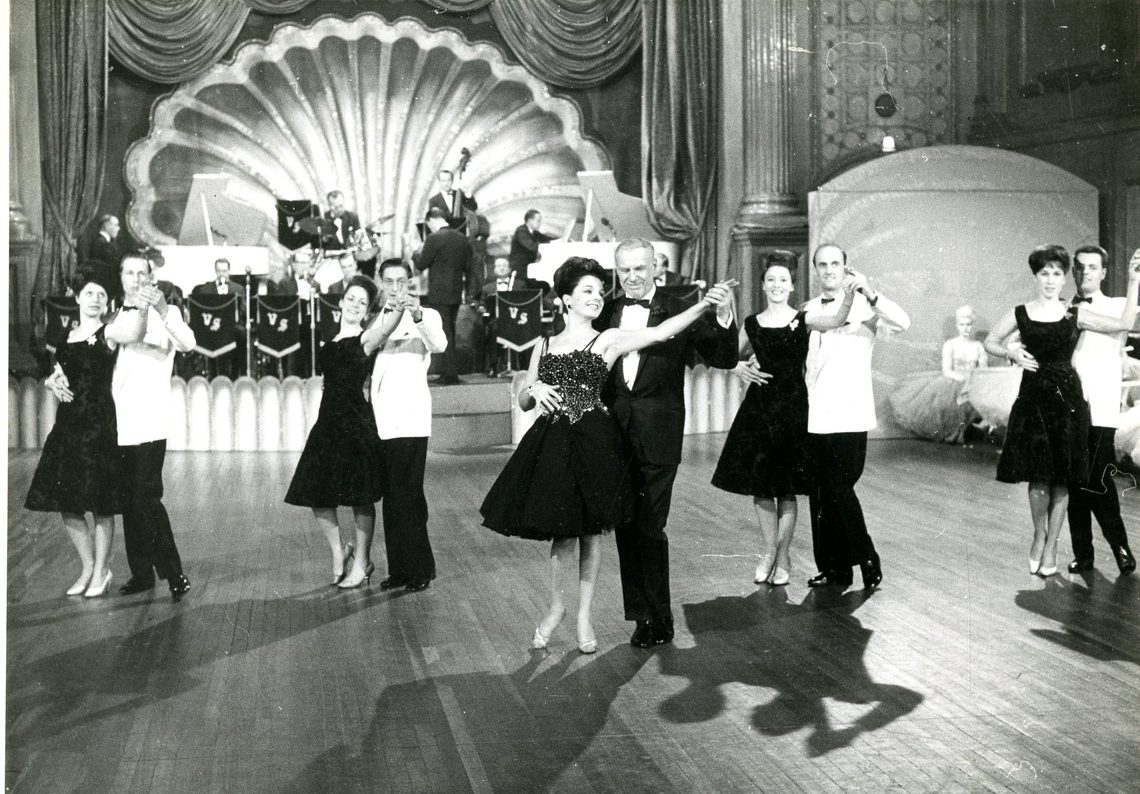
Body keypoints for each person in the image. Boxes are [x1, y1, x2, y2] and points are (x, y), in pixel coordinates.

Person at [482, 256, 736, 654]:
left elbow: (662, 332)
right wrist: (536, 392)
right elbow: (525, 397)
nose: (597, 297)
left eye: (600, 292)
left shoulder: (608, 338)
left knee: (594, 533)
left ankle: (584, 618)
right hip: (554, 445)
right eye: (587, 291)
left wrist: (704, 305)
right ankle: (557, 610)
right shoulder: (543, 345)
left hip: (596, 441)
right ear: (565, 299)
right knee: (561, 533)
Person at [596, 238, 739, 648]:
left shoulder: (679, 309)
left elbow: (724, 359)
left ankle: (660, 617)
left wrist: (725, 314)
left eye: (639, 269)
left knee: (649, 525)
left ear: (656, 267)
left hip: (659, 435)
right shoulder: (606, 312)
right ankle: (642, 617)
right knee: (626, 524)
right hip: (614, 435)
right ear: (616, 271)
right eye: (624, 270)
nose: (632, 278)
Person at [984, 244, 1139, 577]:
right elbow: (997, 340)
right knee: (1052, 477)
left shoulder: (1089, 309)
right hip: (1046, 402)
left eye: (1058, 272)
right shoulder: (1039, 311)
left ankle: (1091, 546)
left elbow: (1125, 320)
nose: (1053, 279)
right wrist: (1011, 351)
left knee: (1084, 479)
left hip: (1083, 403)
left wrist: (1133, 279)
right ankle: (1060, 545)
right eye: (1046, 273)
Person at [711, 251, 858, 587]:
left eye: (783, 280)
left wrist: (848, 298)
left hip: (793, 410)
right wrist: (740, 369)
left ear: (792, 286)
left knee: (787, 489)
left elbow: (835, 321)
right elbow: (728, 355)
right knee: (763, 488)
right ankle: (768, 553)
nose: (777, 285)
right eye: (771, 280)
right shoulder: (751, 323)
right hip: (760, 410)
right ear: (763, 286)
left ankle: (783, 555)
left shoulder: (802, 318)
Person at [803, 243, 910, 592]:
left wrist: (869, 291)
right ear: (817, 271)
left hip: (851, 413)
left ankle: (865, 554)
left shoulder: (867, 306)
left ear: (846, 268)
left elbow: (904, 322)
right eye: (823, 265)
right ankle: (834, 569)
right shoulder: (807, 310)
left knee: (838, 488)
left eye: (836, 264)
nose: (829, 270)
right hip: (817, 414)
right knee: (821, 494)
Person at [284, 275, 403, 586]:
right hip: (328, 422)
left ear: (366, 312)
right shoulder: (330, 342)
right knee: (315, 491)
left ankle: (362, 562)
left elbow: (387, 327)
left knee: (360, 497)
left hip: (355, 422)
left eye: (362, 302)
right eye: (351, 298)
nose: (355, 304)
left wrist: (399, 308)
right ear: (340, 302)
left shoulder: (365, 338)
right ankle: (339, 552)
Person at [29, 267, 139, 597]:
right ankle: (88, 566)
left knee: (102, 503)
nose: (95, 299)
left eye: (101, 295)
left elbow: (133, 332)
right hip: (69, 427)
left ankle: (102, 570)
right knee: (68, 501)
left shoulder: (109, 332)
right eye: (89, 293)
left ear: (107, 303)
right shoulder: (66, 339)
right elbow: (60, 375)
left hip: (102, 425)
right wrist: (51, 381)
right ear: (77, 297)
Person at [107, 255, 197, 601]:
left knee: (147, 498)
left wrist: (162, 309)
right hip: (118, 422)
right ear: (121, 277)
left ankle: (174, 574)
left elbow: (188, 344)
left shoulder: (166, 314)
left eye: (140, 273)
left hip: (150, 421)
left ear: (151, 279)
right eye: (128, 272)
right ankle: (141, 573)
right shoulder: (113, 316)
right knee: (129, 500)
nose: (134, 279)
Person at [365, 259, 447, 592]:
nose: (396, 287)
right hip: (382, 419)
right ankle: (399, 570)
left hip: (411, 419)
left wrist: (416, 315)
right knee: (392, 497)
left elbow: (439, 344)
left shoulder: (428, 315)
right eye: (389, 281)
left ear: (411, 282)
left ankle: (420, 569)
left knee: (409, 496)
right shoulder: (375, 320)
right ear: (380, 283)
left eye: (402, 281)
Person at [1067, 245, 1138, 576]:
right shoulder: (1065, 309)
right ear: (1073, 272)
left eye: (1092, 267)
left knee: (1098, 479)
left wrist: (1134, 281)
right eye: (1079, 268)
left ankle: (1119, 545)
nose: (1085, 273)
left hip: (1103, 405)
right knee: (1075, 482)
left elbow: (1121, 327)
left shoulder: (1120, 304)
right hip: (1070, 405)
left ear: (1104, 272)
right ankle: (1083, 554)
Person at [889, 305, 989, 443]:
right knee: (952, 398)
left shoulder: (977, 345)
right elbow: (947, 369)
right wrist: (962, 379)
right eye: (961, 325)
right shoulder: (950, 344)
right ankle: (953, 433)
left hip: (972, 380)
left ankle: (965, 432)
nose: (965, 328)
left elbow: (983, 368)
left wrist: (973, 379)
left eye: (968, 325)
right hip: (953, 380)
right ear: (957, 325)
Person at [414, 207, 479, 385]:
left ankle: (449, 373)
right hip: (456, 292)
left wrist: (415, 253)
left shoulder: (434, 238)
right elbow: (468, 267)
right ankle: (450, 372)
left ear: (432, 220)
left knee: (443, 332)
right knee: (450, 329)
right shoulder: (462, 239)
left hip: (439, 293)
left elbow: (421, 264)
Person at [508, 209, 555, 274]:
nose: (540, 223)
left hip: (527, 266)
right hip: (519, 269)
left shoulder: (534, 232)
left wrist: (559, 240)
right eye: (538, 221)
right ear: (529, 221)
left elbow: (546, 238)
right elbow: (531, 246)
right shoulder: (521, 231)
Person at [86, 214, 122, 284]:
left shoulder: (103, 241)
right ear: (106, 226)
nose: (118, 228)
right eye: (116, 225)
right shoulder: (101, 243)